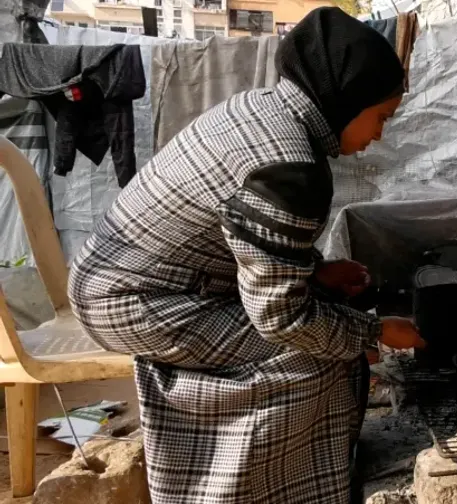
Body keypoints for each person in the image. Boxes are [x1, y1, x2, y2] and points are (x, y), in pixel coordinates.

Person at [67, 7, 424, 504]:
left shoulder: (263, 108)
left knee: (332, 334)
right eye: (381, 117)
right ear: (347, 99)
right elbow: (281, 318)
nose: (380, 134)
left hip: (124, 277)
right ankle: (255, 491)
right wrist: (375, 332)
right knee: (319, 354)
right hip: (131, 301)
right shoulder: (289, 165)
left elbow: (239, 236)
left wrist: (315, 271)